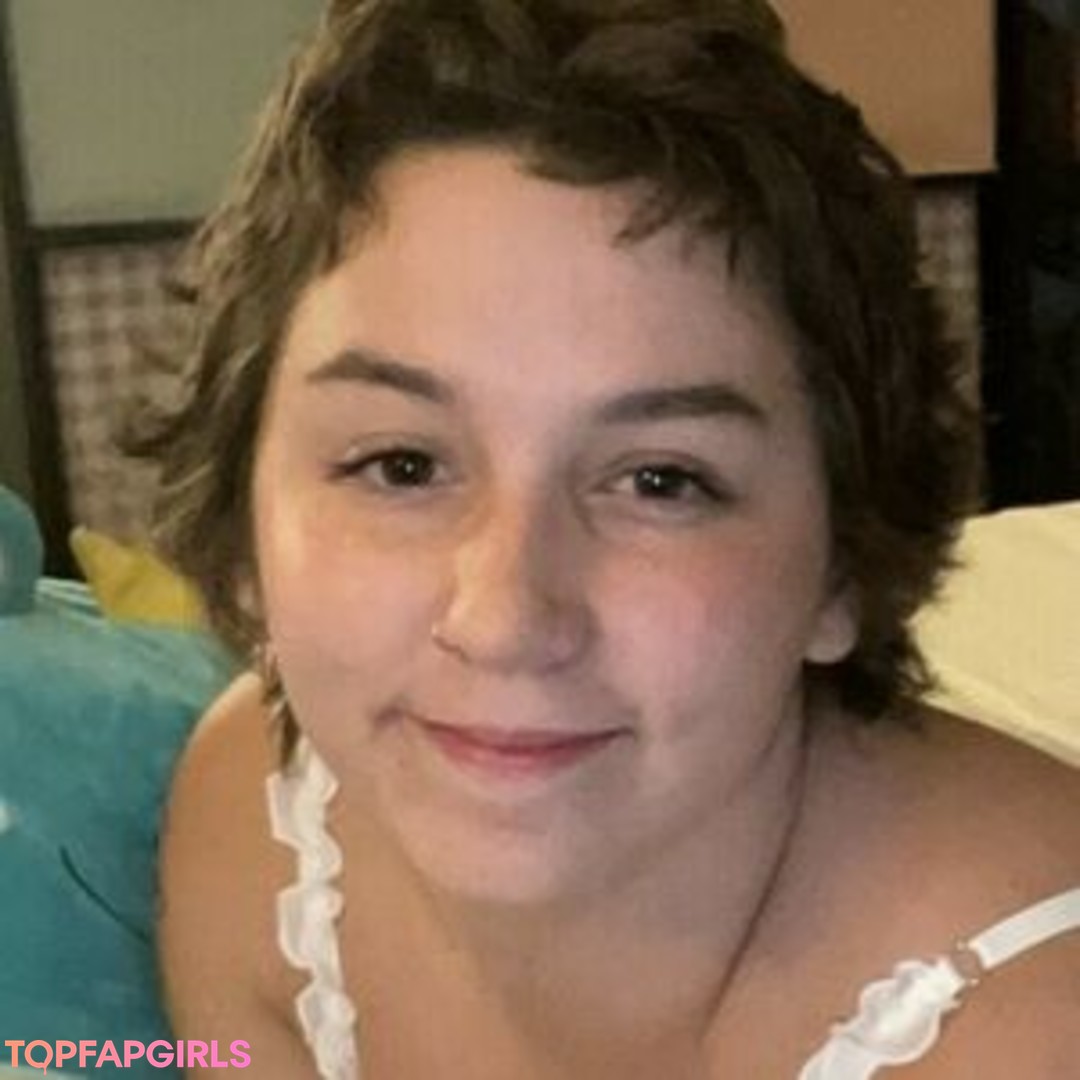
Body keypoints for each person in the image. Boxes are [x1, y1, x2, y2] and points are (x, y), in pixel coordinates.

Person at [150, 2, 1080, 1076]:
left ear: (843, 562)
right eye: (400, 466)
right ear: (245, 522)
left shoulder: (1036, 1025)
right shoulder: (263, 824)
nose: (504, 619)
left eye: (660, 481)